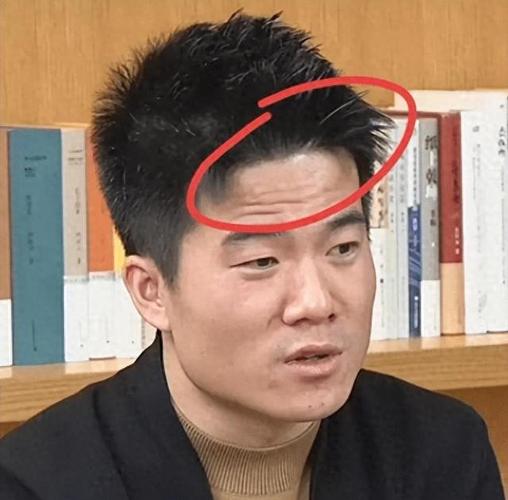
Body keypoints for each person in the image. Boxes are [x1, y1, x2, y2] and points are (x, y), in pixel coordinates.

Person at [0, 9, 505, 500]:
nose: (315, 303)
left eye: (342, 248)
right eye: (262, 261)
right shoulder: (35, 484)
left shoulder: (442, 453)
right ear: (152, 292)